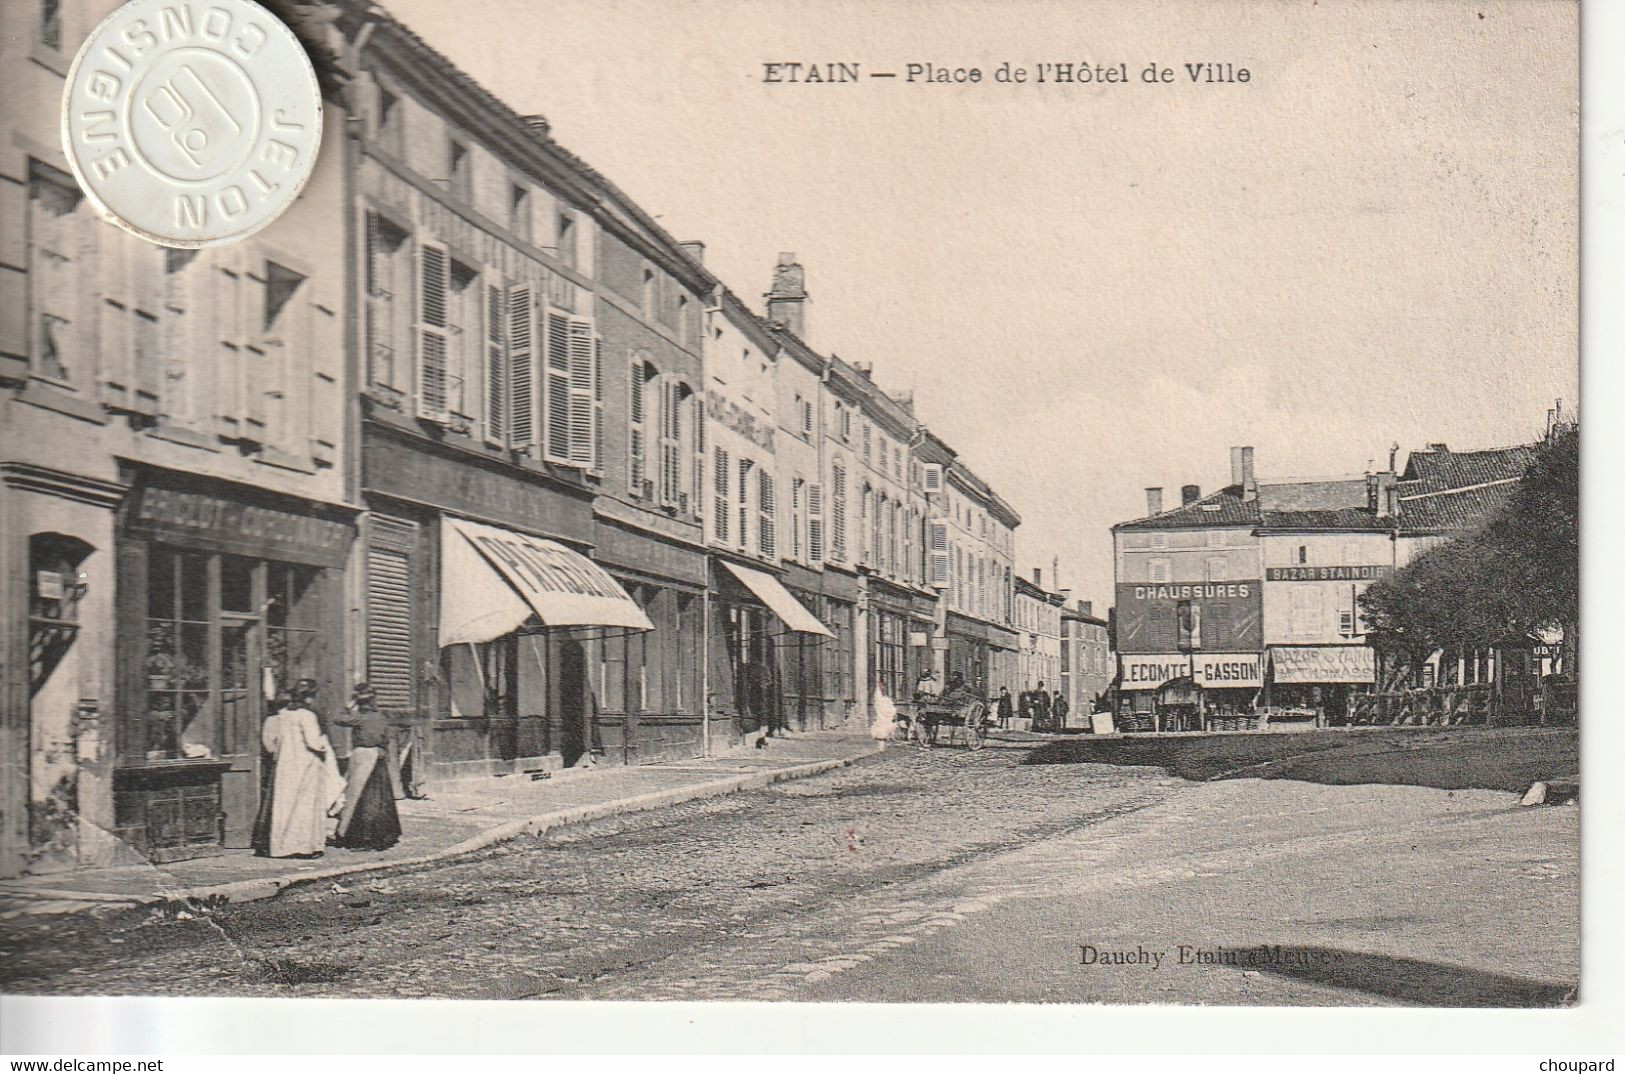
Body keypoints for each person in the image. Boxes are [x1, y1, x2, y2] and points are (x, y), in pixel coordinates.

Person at [259, 679, 343, 859]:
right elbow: (314, 742)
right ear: (308, 697)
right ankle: (306, 847)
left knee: (286, 805)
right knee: (306, 807)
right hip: (307, 766)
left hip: (286, 766)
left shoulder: (282, 715)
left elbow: (273, 743)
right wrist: (324, 745)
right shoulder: (307, 716)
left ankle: (282, 846)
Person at [331, 683, 403, 851]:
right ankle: (383, 834)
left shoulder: (360, 718)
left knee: (358, 796)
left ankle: (359, 836)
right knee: (380, 797)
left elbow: (337, 718)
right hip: (378, 758)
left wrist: (348, 706)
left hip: (362, 758)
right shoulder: (381, 717)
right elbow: (386, 739)